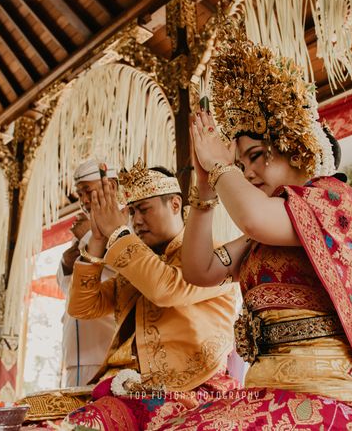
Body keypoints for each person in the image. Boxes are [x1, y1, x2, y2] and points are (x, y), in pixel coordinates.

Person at [173, 21, 352, 430]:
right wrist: (205, 189)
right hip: (266, 397)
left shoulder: (331, 200)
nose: (247, 173)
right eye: (241, 165)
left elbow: (254, 216)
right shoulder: (262, 236)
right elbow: (198, 270)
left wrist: (221, 164)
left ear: (294, 147)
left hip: (332, 397)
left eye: (257, 156)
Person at [64, 160, 239, 430]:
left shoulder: (212, 259)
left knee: (82, 426)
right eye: (132, 212)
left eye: (144, 209)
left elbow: (165, 289)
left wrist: (118, 233)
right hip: (127, 387)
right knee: (39, 416)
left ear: (175, 205)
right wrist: (97, 241)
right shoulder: (138, 264)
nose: (136, 221)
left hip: (192, 390)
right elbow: (83, 307)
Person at [56, 159, 117, 387]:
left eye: (87, 191)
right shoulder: (83, 228)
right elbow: (67, 289)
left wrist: (86, 238)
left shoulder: (129, 223)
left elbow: (130, 266)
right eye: (79, 194)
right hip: (75, 348)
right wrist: (65, 263)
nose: (82, 201)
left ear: (110, 185)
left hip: (107, 345)